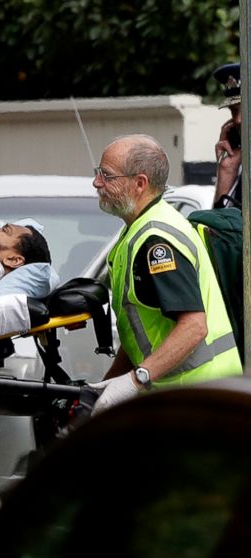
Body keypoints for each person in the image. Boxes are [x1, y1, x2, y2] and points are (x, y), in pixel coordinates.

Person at [89, 134, 241, 412]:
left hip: (202, 398)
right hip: (185, 395)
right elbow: (142, 330)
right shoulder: (138, 229)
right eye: (98, 173)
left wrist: (137, 379)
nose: (97, 183)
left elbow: (194, 326)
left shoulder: (156, 240)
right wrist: (111, 382)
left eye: (107, 176)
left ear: (140, 183)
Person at [213, 62, 242, 209]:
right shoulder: (240, 168)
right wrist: (227, 171)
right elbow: (215, 231)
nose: (238, 120)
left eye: (245, 109)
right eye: (234, 111)